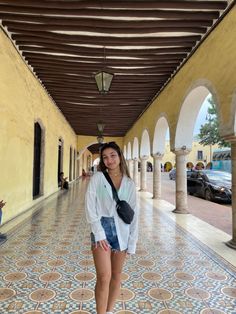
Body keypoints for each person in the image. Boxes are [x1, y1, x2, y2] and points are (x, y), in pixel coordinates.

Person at [85, 142, 139, 314]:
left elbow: (134, 215)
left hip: (122, 232)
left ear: (120, 156)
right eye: (105, 157)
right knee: (104, 277)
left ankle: (108, 311)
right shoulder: (98, 178)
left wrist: (132, 242)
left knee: (116, 276)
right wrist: (98, 233)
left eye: (112, 155)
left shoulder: (129, 184)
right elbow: (89, 206)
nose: (109, 160)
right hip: (101, 229)